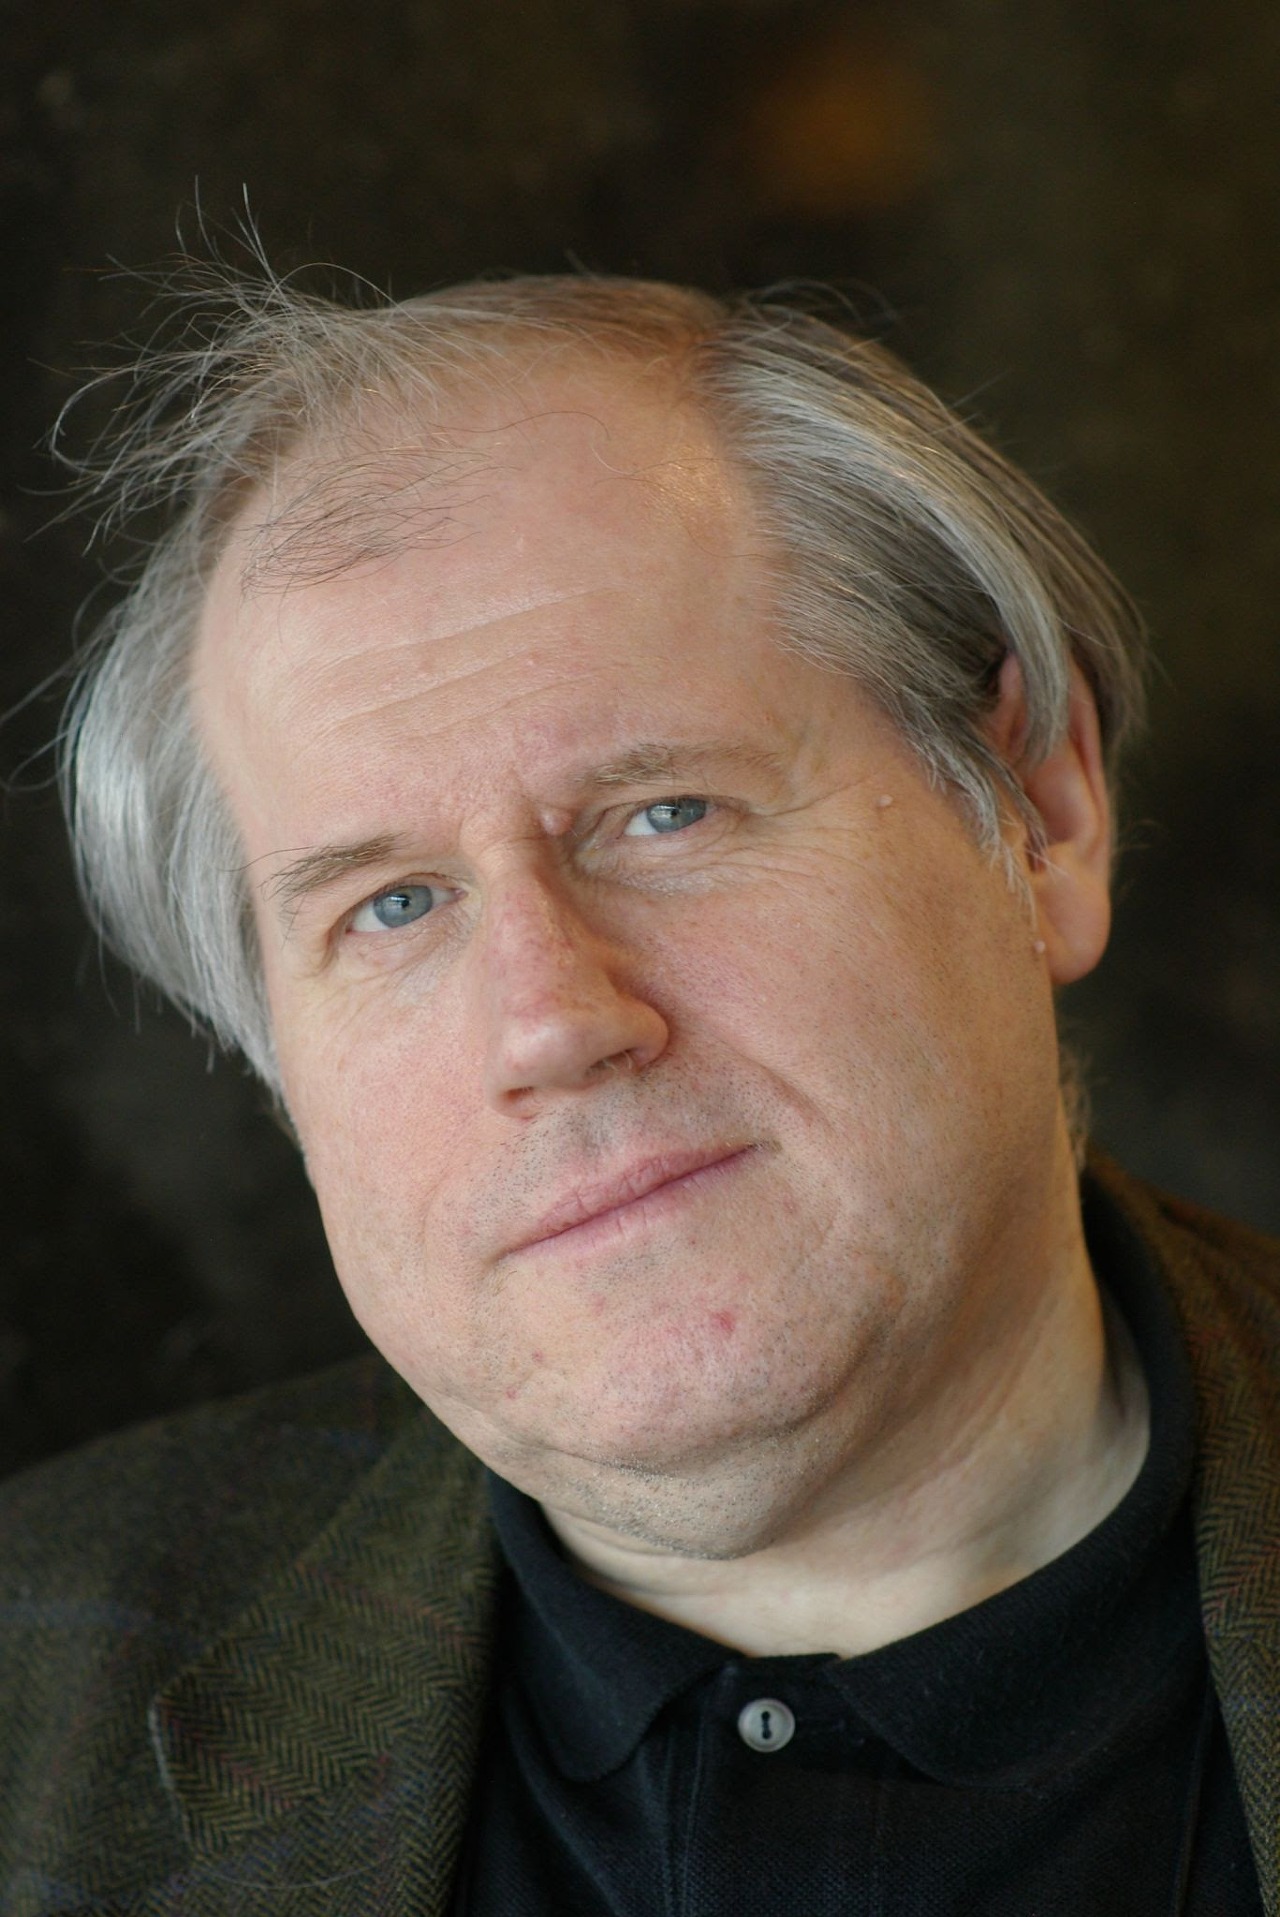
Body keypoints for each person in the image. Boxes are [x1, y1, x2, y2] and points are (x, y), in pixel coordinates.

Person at [2, 270, 1276, 1916]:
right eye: (392, 906)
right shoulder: (34, 1703)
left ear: (1044, 814)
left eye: (667, 812)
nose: (552, 1021)